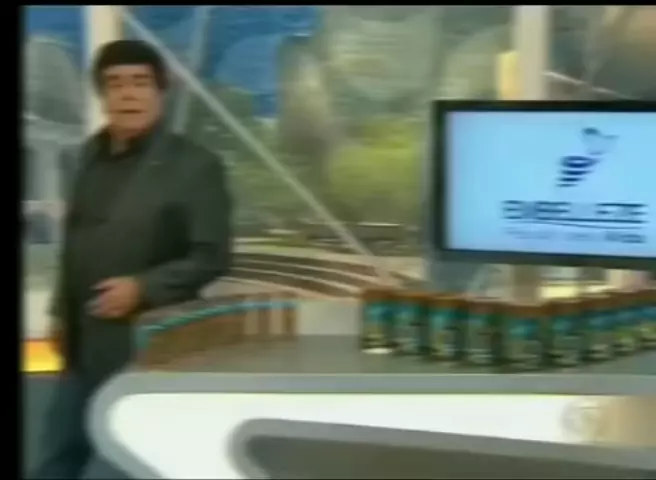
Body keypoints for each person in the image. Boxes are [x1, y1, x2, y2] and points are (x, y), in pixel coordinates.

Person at [29, 39, 232, 479]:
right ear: (102, 95)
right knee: (52, 461)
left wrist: (143, 287)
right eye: (115, 84)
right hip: (81, 347)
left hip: (149, 349)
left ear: (161, 92)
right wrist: (60, 313)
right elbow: (77, 241)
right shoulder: (88, 155)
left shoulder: (196, 166)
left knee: (128, 466)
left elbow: (212, 256)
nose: (128, 94)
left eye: (140, 82)